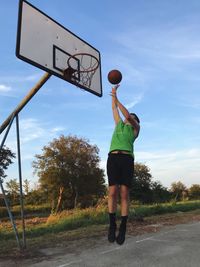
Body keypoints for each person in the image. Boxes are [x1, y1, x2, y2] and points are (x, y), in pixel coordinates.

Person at [107, 84, 140, 245]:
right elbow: (115, 110)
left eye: (131, 118)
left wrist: (117, 98)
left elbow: (126, 114)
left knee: (124, 193)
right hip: (113, 158)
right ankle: (112, 224)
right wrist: (113, 94)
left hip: (127, 159)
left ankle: (124, 226)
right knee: (112, 192)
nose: (128, 118)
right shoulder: (119, 124)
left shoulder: (135, 130)